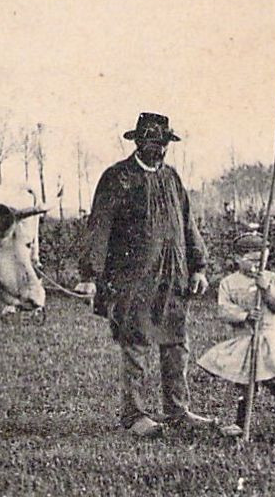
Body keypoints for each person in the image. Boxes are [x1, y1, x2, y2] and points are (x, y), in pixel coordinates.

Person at [78, 112, 213, 438]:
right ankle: (135, 415)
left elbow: (187, 223)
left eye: (164, 142)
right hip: (132, 279)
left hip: (173, 277)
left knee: (176, 345)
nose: (160, 148)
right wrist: (89, 274)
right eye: (153, 141)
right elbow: (99, 227)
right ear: (138, 141)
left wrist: (198, 266)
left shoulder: (172, 179)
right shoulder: (117, 177)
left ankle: (177, 410)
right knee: (135, 345)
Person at [197, 228, 275, 443]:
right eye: (251, 260)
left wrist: (267, 290)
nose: (256, 266)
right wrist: (245, 315)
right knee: (245, 384)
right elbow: (224, 310)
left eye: (260, 261)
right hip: (245, 340)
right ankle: (241, 423)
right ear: (237, 259)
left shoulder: (273, 279)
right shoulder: (229, 283)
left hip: (270, 341)